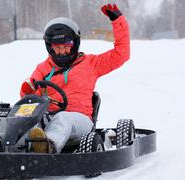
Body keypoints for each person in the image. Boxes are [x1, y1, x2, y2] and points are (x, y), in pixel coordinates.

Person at [20, 4, 130, 153]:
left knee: (63, 118)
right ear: (50, 47)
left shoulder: (91, 64)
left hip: (80, 121)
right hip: (49, 118)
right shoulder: (43, 68)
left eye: (66, 46)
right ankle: (0, 144)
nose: (62, 51)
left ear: (74, 44)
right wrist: (27, 91)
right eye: (57, 47)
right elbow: (31, 100)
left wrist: (118, 20)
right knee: (25, 117)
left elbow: (121, 54)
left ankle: (46, 147)